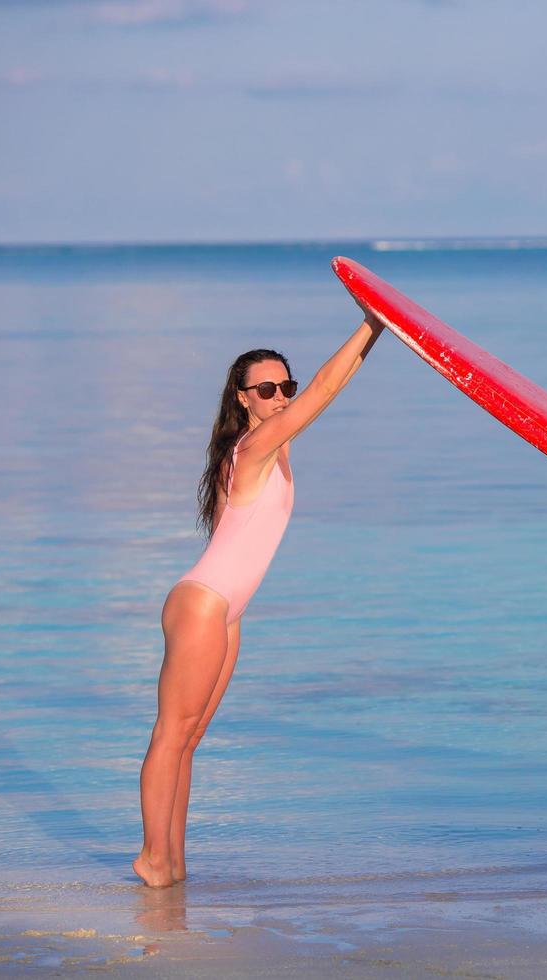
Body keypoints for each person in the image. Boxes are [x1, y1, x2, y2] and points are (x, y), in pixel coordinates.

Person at [134, 317, 383, 888]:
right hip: (201, 605)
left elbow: (320, 392)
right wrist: (373, 327)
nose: (280, 398)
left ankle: (172, 863)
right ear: (243, 399)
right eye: (266, 390)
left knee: (190, 740)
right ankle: (152, 856)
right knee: (171, 734)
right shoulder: (253, 446)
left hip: (228, 611)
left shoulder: (268, 449)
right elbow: (325, 387)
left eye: (285, 388)